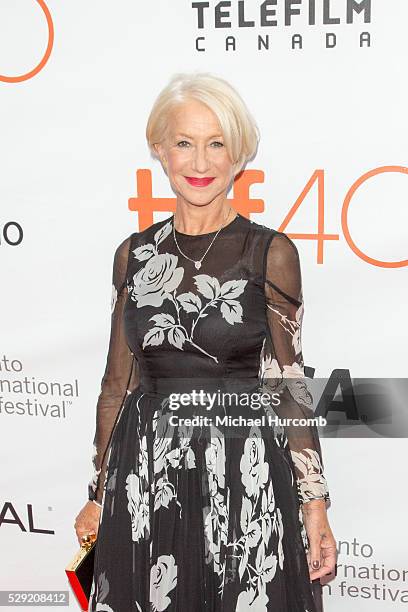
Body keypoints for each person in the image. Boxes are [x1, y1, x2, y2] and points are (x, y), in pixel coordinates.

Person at [74, 72, 336, 611]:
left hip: (244, 468)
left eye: (216, 144)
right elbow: (114, 383)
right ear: (159, 149)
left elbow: (288, 385)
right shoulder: (134, 255)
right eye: (184, 143)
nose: (200, 163)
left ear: (238, 155)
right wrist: (97, 495)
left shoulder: (271, 252)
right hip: (147, 472)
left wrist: (314, 507)